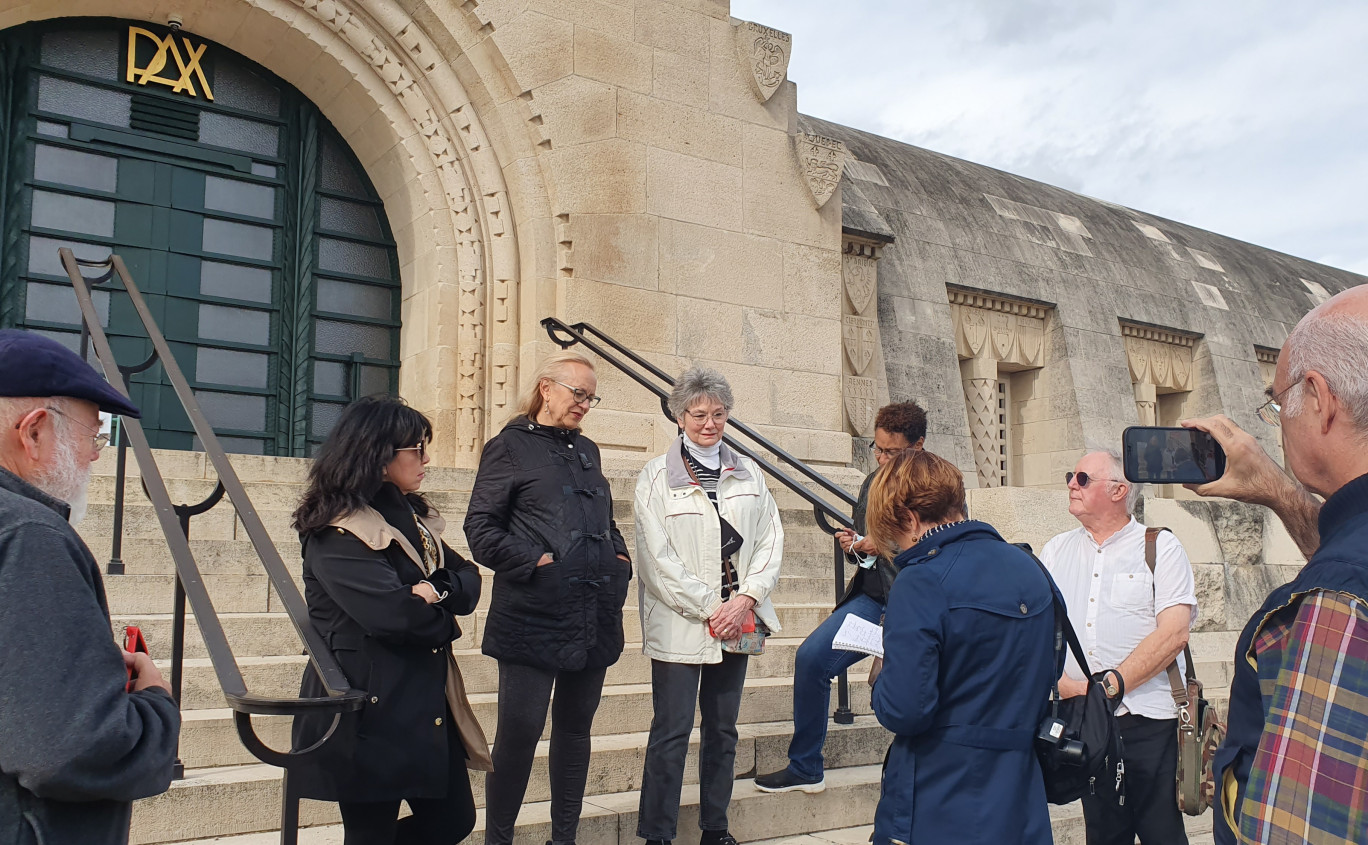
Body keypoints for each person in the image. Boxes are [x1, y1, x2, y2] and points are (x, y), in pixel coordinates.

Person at [1183, 284, 1368, 845]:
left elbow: (1303, 829)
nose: (1276, 419)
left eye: (1276, 401)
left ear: (1319, 398)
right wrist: (1280, 492)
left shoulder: (1334, 602)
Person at [0, 329, 180, 845]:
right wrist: (155, 706)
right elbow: (70, 750)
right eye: (93, 436)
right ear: (34, 432)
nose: (96, 456)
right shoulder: (29, 535)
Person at [290, 396, 486, 845]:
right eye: (416, 449)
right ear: (378, 456)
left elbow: (469, 578)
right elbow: (397, 618)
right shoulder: (336, 530)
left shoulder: (413, 519)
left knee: (454, 820)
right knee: (370, 832)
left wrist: (433, 591)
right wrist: (441, 614)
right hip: (366, 706)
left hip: (422, 702)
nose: (427, 459)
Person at [464, 351, 632, 845]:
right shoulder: (508, 448)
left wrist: (619, 561)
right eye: (578, 393)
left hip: (593, 615)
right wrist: (538, 562)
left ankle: (565, 838)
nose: (585, 403)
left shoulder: (589, 452)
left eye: (590, 396)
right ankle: (499, 839)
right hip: (532, 616)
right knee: (518, 737)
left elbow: (606, 521)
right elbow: (480, 528)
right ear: (547, 389)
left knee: (575, 732)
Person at [864, 449, 1060, 845]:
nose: (897, 546)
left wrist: (881, 674)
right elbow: (1051, 665)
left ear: (911, 519)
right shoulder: (1030, 566)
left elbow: (906, 709)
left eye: (893, 534)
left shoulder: (921, 580)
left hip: (943, 789)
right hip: (1021, 786)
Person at [633, 367, 784, 845]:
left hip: (739, 618)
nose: (709, 423)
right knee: (671, 732)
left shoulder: (750, 473)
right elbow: (656, 560)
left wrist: (744, 599)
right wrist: (711, 608)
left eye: (719, 414)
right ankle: (657, 833)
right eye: (699, 414)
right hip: (682, 621)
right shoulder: (656, 477)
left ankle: (715, 829)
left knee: (723, 730)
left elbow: (770, 541)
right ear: (679, 417)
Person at [755, 401, 925, 793]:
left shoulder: (938, 486)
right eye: (877, 449)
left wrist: (881, 547)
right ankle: (805, 766)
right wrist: (855, 548)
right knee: (812, 658)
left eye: (891, 451)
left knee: (903, 688)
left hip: (915, 603)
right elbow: (868, 550)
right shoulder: (872, 482)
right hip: (871, 597)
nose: (881, 459)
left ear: (917, 446)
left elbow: (940, 550)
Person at [1040, 448, 1198, 845]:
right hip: (1085, 723)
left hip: (1148, 722)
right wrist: (1070, 690)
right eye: (1070, 477)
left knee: (1163, 833)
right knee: (1104, 834)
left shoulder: (1160, 547)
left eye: (1083, 479)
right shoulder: (1056, 550)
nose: (1071, 485)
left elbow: (1175, 632)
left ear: (1118, 490)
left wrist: (1109, 687)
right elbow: (1040, 635)